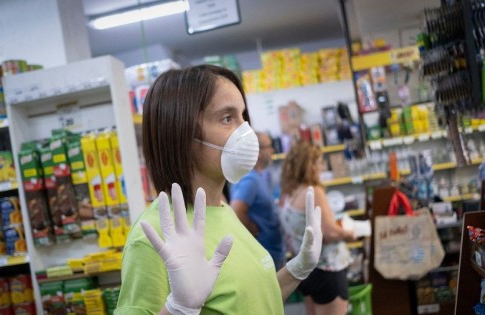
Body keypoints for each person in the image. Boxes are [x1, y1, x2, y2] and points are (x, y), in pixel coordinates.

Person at [115, 65, 323, 315]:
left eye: (243, 116)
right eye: (227, 118)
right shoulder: (153, 237)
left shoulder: (222, 209)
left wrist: (297, 268)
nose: (245, 131)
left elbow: (248, 303)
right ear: (182, 133)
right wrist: (179, 309)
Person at [279, 141, 357, 315]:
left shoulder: (290, 193)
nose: (322, 166)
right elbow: (329, 233)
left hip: (308, 272)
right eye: (320, 161)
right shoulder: (314, 191)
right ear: (309, 164)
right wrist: (349, 233)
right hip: (328, 269)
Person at [230, 132, 286, 269]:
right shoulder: (250, 180)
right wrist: (254, 230)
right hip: (266, 253)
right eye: (269, 147)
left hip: (271, 251)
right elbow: (236, 211)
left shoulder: (255, 176)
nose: (273, 150)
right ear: (258, 152)